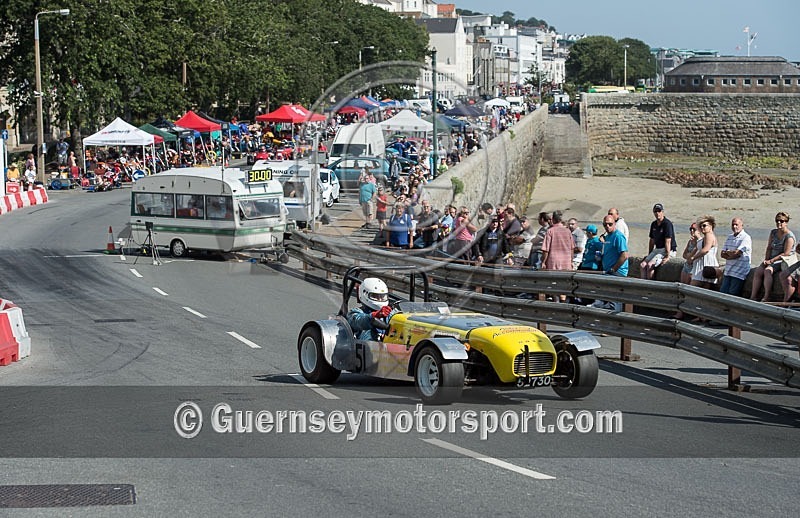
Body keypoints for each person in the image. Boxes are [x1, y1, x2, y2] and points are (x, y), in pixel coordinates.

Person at [750, 212, 796, 302]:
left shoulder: (789, 237)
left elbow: (786, 253)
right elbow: (769, 248)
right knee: (758, 271)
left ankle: (767, 296)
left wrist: (771, 261)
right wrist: (766, 259)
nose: (779, 223)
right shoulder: (773, 232)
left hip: (783, 260)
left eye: (781, 221)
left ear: (786, 222)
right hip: (771, 258)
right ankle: (753, 296)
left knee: (768, 271)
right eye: (777, 221)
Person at [590, 215, 629, 311]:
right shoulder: (607, 237)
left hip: (617, 272)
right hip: (608, 271)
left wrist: (614, 269)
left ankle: (616, 319)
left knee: (614, 300)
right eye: (605, 224)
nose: (607, 226)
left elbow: (624, 255)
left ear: (614, 224)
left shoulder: (618, 236)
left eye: (610, 224)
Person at [641, 203, 677, 280]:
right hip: (657, 249)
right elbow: (652, 240)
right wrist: (649, 254)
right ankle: (643, 284)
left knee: (650, 265)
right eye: (655, 211)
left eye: (659, 211)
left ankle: (651, 285)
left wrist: (667, 256)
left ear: (662, 212)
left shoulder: (667, 224)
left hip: (668, 249)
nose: (657, 213)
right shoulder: (654, 224)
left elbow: (668, 241)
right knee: (643, 265)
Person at [719, 217, 752, 297]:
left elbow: (737, 253)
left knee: (732, 295)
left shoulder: (746, 238)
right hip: (728, 271)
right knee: (722, 293)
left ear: (742, 225)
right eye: (733, 225)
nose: (734, 227)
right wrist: (731, 253)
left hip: (739, 272)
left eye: (736, 225)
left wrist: (729, 253)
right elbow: (722, 254)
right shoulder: (729, 237)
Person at [689, 215, 719, 289]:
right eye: (701, 226)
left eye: (704, 226)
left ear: (711, 226)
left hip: (706, 266)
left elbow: (706, 250)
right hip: (700, 267)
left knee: (695, 288)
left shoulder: (709, 235)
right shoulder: (703, 238)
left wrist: (693, 258)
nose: (702, 227)